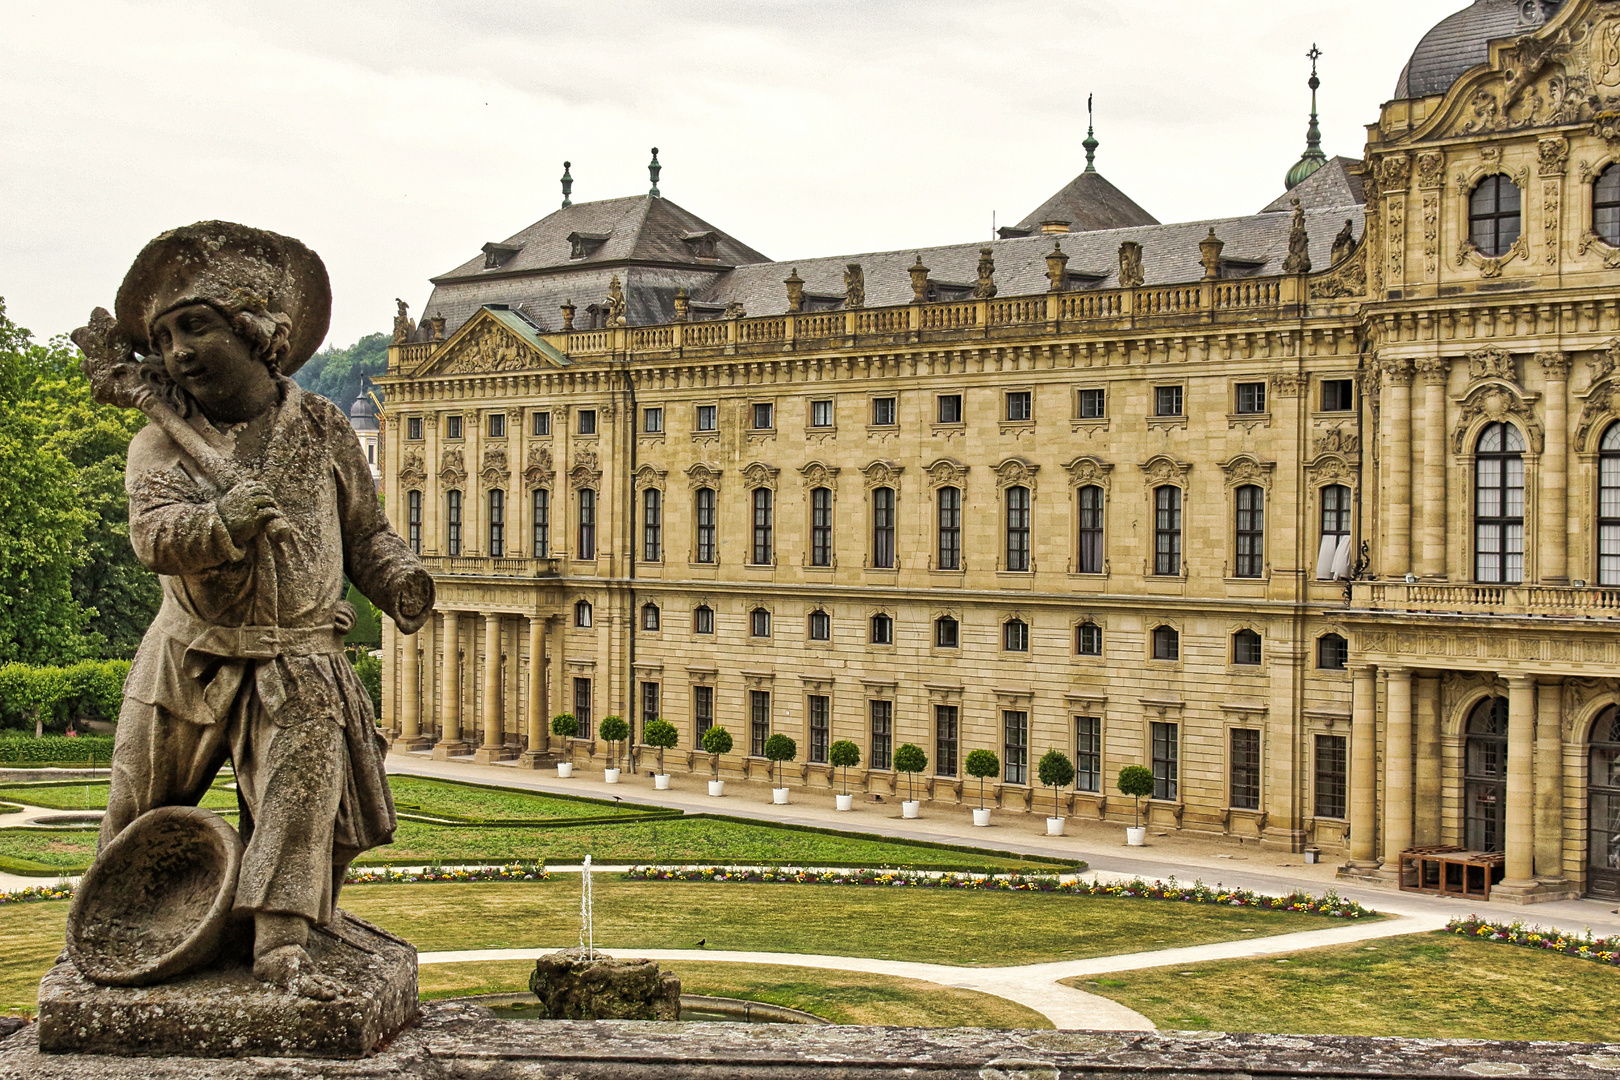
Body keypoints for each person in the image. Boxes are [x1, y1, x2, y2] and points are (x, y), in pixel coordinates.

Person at [74, 221, 434, 1000]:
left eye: (195, 326)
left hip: (300, 656)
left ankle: (281, 945)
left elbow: (363, 533)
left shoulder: (323, 427)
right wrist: (221, 524)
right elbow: (153, 540)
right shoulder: (159, 445)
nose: (176, 352)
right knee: (138, 806)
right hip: (190, 656)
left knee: (300, 801)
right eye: (164, 337)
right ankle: (110, 932)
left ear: (259, 333)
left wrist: (397, 576)